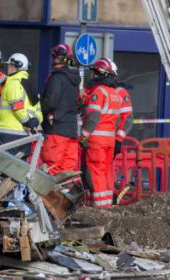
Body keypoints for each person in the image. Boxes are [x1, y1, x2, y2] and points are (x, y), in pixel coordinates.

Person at [81, 57, 123, 208]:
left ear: (101, 74)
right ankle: (106, 206)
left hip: (96, 141)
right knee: (105, 173)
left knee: (95, 173)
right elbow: (117, 121)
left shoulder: (99, 92)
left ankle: (99, 209)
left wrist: (83, 135)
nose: (92, 77)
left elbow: (93, 117)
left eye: (94, 73)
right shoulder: (115, 94)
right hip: (109, 141)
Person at [40, 43, 81, 175]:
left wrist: (39, 111)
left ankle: (49, 196)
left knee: (52, 169)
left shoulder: (56, 78)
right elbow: (79, 102)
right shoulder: (74, 80)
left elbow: (50, 102)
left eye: (55, 56)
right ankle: (64, 194)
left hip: (56, 130)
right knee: (67, 171)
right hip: (71, 131)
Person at [0, 53, 42, 156]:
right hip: (25, 135)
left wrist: (27, 122)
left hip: (8, 133)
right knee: (19, 168)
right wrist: (35, 121)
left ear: (18, 67)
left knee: (4, 167)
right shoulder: (30, 84)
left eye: (11, 65)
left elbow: (17, 107)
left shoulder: (13, 83)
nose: (9, 67)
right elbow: (38, 109)